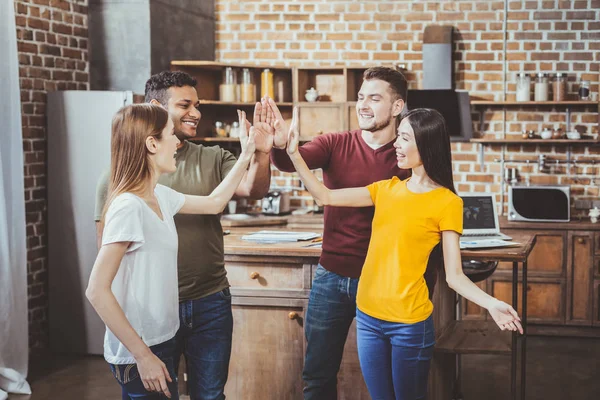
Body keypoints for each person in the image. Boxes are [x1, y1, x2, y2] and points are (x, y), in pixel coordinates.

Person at [285, 106, 523, 400]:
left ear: (426, 144)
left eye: (404, 138)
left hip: (408, 324)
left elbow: (455, 277)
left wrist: (491, 304)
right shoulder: (386, 189)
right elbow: (325, 195)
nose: (396, 144)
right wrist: (294, 153)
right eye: (397, 137)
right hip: (369, 317)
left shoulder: (447, 202)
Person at [94, 71, 273, 400]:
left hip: (168, 328)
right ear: (152, 142)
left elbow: (216, 201)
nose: (178, 142)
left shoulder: (161, 196)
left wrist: (251, 152)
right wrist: (143, 356)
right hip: (142, 342)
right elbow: (97, 289)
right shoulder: (127, 206)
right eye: (168, 136)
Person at [267, 67, 412, 399]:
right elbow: (293, 161)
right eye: (361, 97)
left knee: (388, 377)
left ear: (396, 106)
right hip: (331, 277)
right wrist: (278, 146)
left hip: (383, 279)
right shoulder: (335, 143)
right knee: (317, 374)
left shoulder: (407, 155)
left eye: (375, 98)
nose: (363, 105)